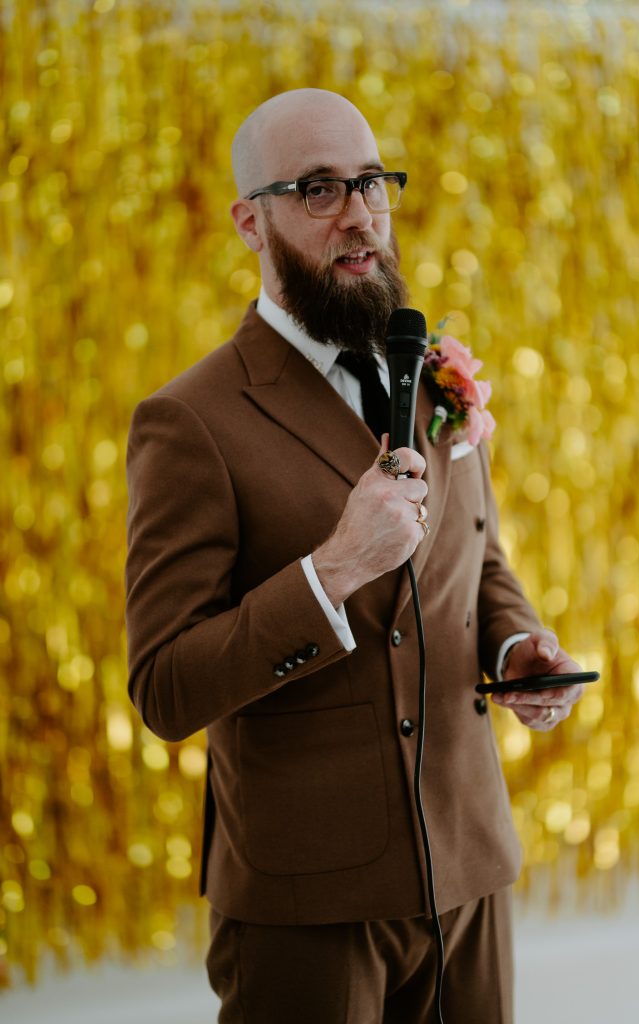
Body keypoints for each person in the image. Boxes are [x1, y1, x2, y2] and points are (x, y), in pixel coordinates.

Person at [125, 88, 585, 1023]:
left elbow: (473, 558)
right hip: (307, 903)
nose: (360, 214)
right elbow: (165, 686)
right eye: (319, 190)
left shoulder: (432, 372)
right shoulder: (190, 422)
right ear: (250, 222)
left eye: (371, 183)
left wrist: (515, 646)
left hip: (469, 871)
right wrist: (332, 568)